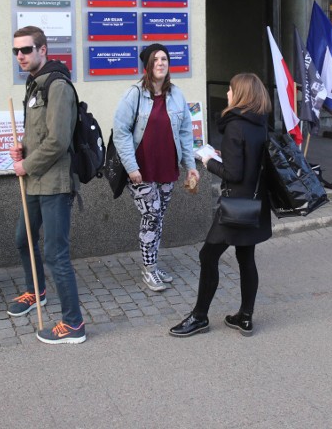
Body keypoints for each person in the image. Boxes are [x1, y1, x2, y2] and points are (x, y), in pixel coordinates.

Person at [170, 73, 272, 337]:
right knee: (245, 257)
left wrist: (208, 161)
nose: (227, 93)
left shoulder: (235, 125)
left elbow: (234, 173)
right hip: (254, 201)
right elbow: (247, 163)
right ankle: (245, 318)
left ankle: (200, 316)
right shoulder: (258, 123)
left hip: (235, 204)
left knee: (208, 255)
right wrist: (222, 155)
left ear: (240, 95)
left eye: (230, 89)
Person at [7, 25, 85, 344]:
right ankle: (36, 291)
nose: (20, 56)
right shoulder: (34, 85)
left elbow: (57, 141)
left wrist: (26, 163)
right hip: (35, 182)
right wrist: (21, 149)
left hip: (54, 183)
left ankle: (74, 324)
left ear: (43, 50)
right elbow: (39, 136)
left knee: (56, 254)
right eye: (16, 51)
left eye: (26, 50)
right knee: (23, 238)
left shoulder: (58, 86)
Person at [113, 43, 199, 292]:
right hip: (141, 171)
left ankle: (153, 264)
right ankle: (149, 269)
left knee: (158, 217)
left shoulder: (177, 95)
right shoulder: (135, 94)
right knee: (151, 216)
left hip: (167, 169)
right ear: (147, 66)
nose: (161, 63)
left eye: (164, 59)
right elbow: (120, 133)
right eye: (155, 59)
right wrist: (131, 166)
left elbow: (184, 132)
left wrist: (190, 166)